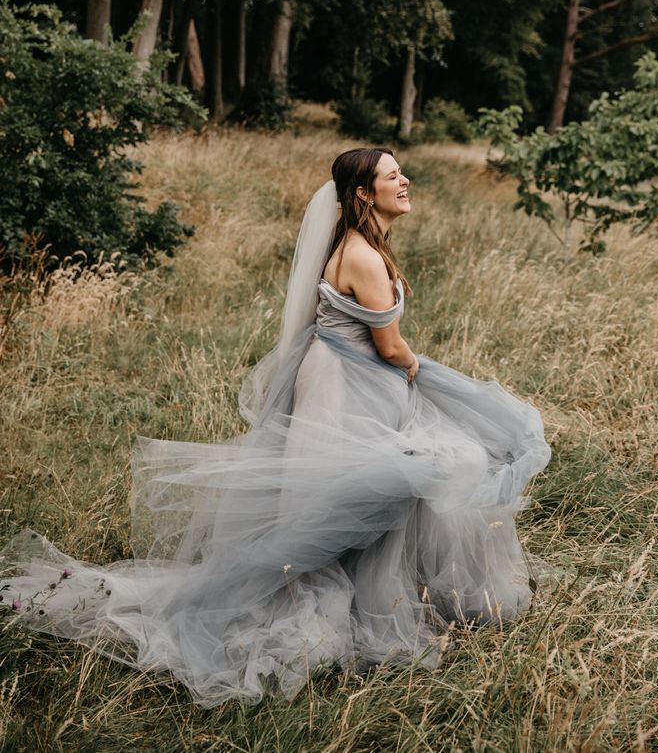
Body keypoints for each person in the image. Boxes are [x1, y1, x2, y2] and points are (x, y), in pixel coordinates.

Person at [1, 147, 551, 707]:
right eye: (392, 176)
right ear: (364, 194)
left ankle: (380, 592)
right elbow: (388, 346)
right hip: (353, 388)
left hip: (337, 380)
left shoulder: (354, 245)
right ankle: (323, 606)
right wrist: (417, 370)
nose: (405, 181)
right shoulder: (363, 256)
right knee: (384, 488)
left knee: (359, 494)